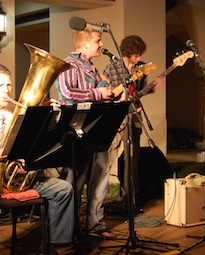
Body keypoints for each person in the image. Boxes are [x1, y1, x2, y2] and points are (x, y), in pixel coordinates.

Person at [0, 63, 75, 250]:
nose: (6, 90)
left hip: (14, 175)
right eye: (0, 86)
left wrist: (45, 113)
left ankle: (56, 246)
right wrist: (9, 153)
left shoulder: (16, 111)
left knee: (63, 189)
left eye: (9, 85)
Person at [57, 26, 117, 239]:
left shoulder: (91, 68)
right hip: (76, 134)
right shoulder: (69, 65)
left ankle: (95, 225)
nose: (101, 44)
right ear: (85, 44)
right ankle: (69, 230)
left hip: (95, 131)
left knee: (100, 180)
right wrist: (97, 94)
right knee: (76, 182)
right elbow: (66, 92)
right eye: (98, 40)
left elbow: (98, 93)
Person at [102, 35, 164, 211]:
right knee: (107, 157)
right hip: (115, 117)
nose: (139, 58)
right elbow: (108, 92)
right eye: (136, 54)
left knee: (132, 158)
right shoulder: (112, 68)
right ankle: (98, 199)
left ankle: (132, 199)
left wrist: (151, 88)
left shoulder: (140, 69)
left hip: (134, 115)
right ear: (128, 52)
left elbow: (138, 93)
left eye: (139, 55)